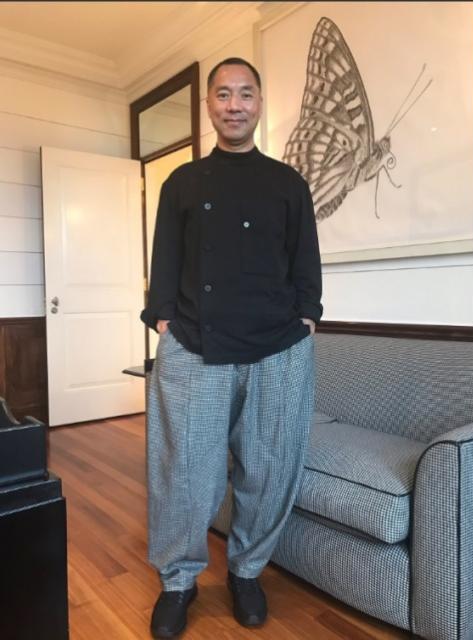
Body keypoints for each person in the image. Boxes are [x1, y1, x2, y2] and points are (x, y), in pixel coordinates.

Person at [140, 57, 323, 639]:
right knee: (184, 473)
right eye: (223, 94)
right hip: (195, 344)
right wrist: (163, 319)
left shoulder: (289, 183)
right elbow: (165, 257)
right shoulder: (182, 182)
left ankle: (246, 572)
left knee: (269, 469)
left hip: (278, 349)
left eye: (245, 94)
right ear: (210, 106)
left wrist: (308, 317)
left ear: (260, 103)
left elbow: (305, 259)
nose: (235, 105)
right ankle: (178, 581)